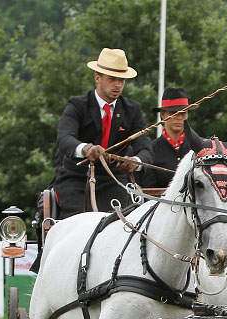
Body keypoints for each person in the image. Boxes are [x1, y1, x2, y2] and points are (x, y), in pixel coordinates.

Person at [49, 48, 153, 216]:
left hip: (114, 181)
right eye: (112, 79)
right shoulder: (77, 105)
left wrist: (135, 161)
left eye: (121, 80)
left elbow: (146, 150)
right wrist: (86, 149)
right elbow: (64, 138)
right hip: (76, 180)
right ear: (97, 77)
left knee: (120, 222)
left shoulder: (132, 110)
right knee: (80, 223)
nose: (118, 85)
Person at [141, 87, 205, 189]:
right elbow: (149, 191)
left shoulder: (200, 148)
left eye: (183, 113)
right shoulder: (151, 151)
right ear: (163, 114)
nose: (179, 117)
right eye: (173, 113)